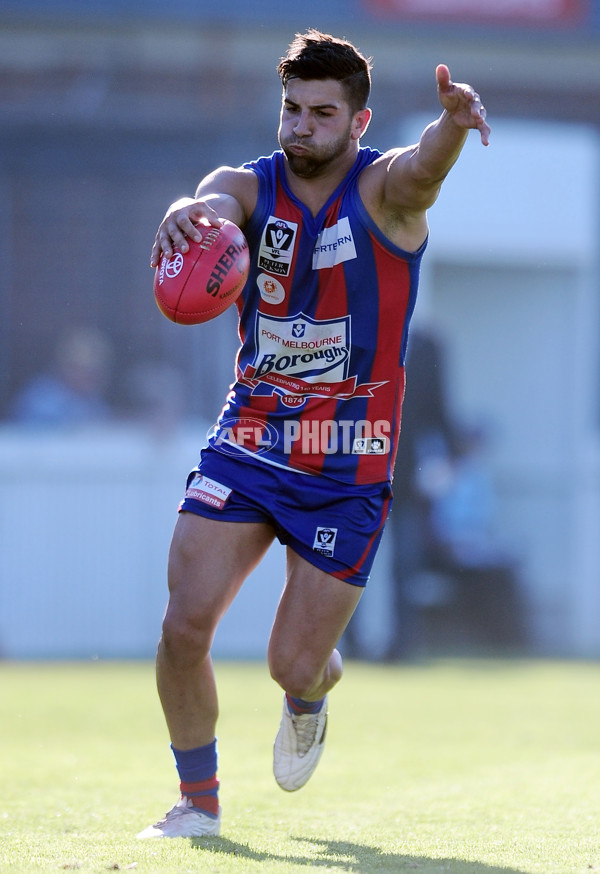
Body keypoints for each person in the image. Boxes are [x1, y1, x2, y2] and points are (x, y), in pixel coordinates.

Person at [137, 29, 490, 840]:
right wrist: (184, 215)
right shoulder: (251, 186)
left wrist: (450, 127)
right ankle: (199, 802)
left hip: (347, 462)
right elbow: (212, 201)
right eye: (291, 109)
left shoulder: (384, 192)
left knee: (292, 664)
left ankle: (310, 694)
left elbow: (422, 171)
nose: (301, 127)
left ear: (358, 123)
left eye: (323, 113)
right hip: (252, 437)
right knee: (183, 623)